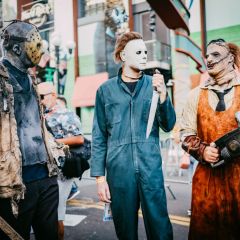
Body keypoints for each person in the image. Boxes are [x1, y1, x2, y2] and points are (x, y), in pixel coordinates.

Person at [91, 31, 176, 240]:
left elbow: (168, 125)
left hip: (150, 167)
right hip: (119, 172)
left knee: (160, 228)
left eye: (145, 51)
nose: (144, 55)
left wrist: (164, 95)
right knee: (125, 231)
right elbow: (99, 135)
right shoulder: (105, 90)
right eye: (138, 51)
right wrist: (100, 179)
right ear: (122, 56)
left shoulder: (154, 86)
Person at [0, 20, 59, 240]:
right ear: (16, 47)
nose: (41, 49)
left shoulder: (31, 80)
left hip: (46, 177)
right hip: (13, 184)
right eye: (35, 44)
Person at [180, 39, 240, 239]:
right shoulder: (194, 95)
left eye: (215, 55)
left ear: (230, 59)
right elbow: (185, 134)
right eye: (207, 55)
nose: (208, 59)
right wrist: (202, 150)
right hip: (206, 182)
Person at [38, 82, 84, 240]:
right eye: (38, 97)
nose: (40, 100)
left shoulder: (66, 114)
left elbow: (79, 138)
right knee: (45, 216)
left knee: (57, 215)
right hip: (45, 171)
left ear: (53, 95)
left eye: (42, 97)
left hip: (62, 173)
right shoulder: (42, 114)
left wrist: (54, 143)